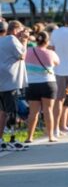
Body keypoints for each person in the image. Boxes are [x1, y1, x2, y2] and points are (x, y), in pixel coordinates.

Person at [24, 30, 60, 143]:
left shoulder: (28, 51)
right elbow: (57, 63)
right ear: (47, 41)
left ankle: (29, 137)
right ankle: (50, 136)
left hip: (32, 84)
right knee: (48, 110)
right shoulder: (51, 53)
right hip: (48, 83)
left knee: (33, 112)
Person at [0, 21, 29, 151]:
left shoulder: (3, 40)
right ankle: (12, 139)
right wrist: (25, 41)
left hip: (3, 81)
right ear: (15, 30)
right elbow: (22, 55)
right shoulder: (12, 39)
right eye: (21, 30)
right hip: (10, 82)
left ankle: (1, 140)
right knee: (12, 111)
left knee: (3, 111)